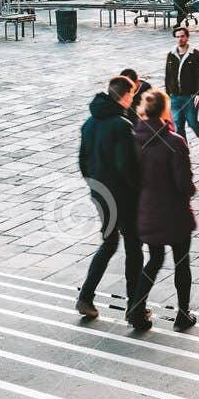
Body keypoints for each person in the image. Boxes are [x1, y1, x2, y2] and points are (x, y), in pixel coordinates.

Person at [76, 75, 144, 322]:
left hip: (99, 194)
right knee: (134, 248)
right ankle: (134, 307)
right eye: (132, 95)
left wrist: (94, 186)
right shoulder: (121, 125)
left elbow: (82, 162)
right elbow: (127, 167)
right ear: (126, 95)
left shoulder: (89, 123)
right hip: (123, 197)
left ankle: (86, 296)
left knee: (109, 242)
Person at [132, 90, 197, 332]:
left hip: (148, 210)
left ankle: (137, 310)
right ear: (164, 110)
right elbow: (184, 185)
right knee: (182, 262)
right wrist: (191, 189)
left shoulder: (134, 139)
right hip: (175, 214)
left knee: (154, 260)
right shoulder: (175, 142)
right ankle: (183, 314)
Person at [163, 25, 199, 151]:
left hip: (190, 96)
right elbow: (168, 76)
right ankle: (184, 148)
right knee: (178, 124)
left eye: (182, 36)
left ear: (187, 37)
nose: (180, 39)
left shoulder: (195, 54)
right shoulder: (171, 55)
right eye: (177, 37)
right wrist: (167, 94)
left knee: (192, 122)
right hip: (175, 96)